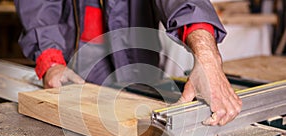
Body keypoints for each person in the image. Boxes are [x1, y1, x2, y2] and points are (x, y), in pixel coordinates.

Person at [14, 0, 242, 126]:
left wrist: (206, 55)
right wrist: (51, 60)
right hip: (76, 71)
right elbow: (40, 5)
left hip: (138, 68)